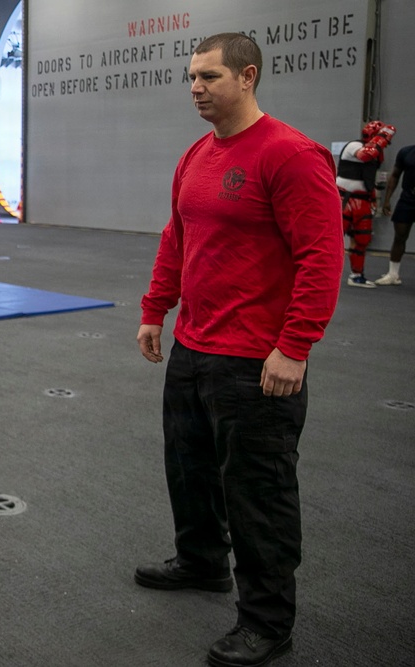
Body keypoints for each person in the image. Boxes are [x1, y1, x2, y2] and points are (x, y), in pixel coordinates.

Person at [135, 33, 343, 667]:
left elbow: (321, 257)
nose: (196, 87)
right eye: (191, 77)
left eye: (210, 77)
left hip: (259, 360)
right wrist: (155, 309)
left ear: (247, 76)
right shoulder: (197, 154)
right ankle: (201, 562)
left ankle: (267, 621)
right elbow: (178, 236)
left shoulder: (292, 155)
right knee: (189, 469)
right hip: (196, 346)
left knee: (259, 492)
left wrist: (295, 346)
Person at [336, 120, 396, 288]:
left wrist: (373, 198)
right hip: (343, 199)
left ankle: (356, 275)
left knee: (361, 240)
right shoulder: (354, 146)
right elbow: (365, 155)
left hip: (362, 200)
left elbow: (369, 178)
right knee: (331, 239)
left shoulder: (377, 155)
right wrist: (384, 135)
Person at [375, 143, 415, 285]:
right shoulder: (406, 152)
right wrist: (387, 200)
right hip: (408, 199)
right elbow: (395, 175)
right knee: (400, 236)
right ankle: (393, 274)